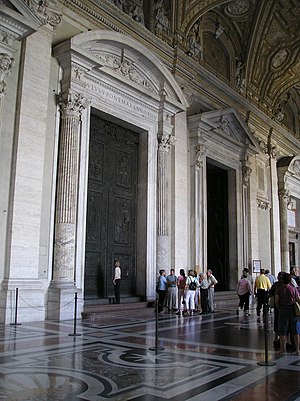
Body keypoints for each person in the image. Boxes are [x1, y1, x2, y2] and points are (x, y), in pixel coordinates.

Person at [275, 273, 299, 355]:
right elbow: (297, 299)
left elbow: (276, 301)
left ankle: (282, 349)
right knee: (295, 331)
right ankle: (298, 350)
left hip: (283, 309)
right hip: (292, 309)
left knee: (283, 330)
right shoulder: (293, 289)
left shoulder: (279, 289)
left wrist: (279, 308)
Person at [268, 272, 285, 351]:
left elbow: (270, 294)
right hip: (286, 308)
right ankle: (286, 342)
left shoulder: (276, 285)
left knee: (277, 323)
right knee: (285, 324)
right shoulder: (288, 285)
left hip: (278, 307)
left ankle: (276, 339)